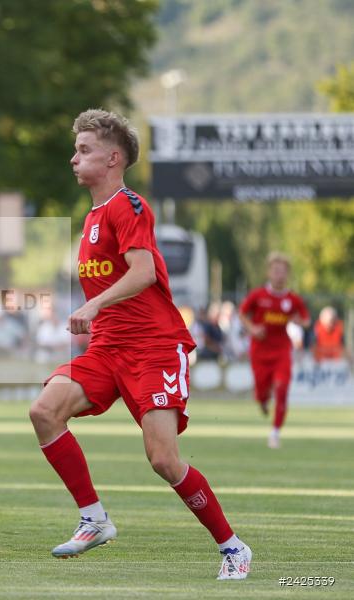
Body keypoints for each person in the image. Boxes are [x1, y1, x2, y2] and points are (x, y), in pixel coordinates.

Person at [28, 109, 251, 580]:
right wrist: (99, 316)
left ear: (113, 159)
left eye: (83, 150)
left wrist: (92, 306)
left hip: (153, 346)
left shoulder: (129, 206)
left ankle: (233, 548)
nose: (74, 158)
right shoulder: (91, 218)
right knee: (44, 411)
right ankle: (94, 518)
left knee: (163, 460)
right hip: (109, 348)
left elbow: (144, 272)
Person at [239, 253, 311, 449]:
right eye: (275, 270)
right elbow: (242, 313)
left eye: (283, 271)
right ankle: (262, 400)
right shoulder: (258, 295)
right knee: (262, 393)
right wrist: (252, 328)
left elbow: (306, 320)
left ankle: (275, 432)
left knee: (281, 388)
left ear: (287, 274)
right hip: (259, 352)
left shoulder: (293, 299)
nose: (279, 275)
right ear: (269, 272)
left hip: (281, 351)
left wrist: (300, 322)